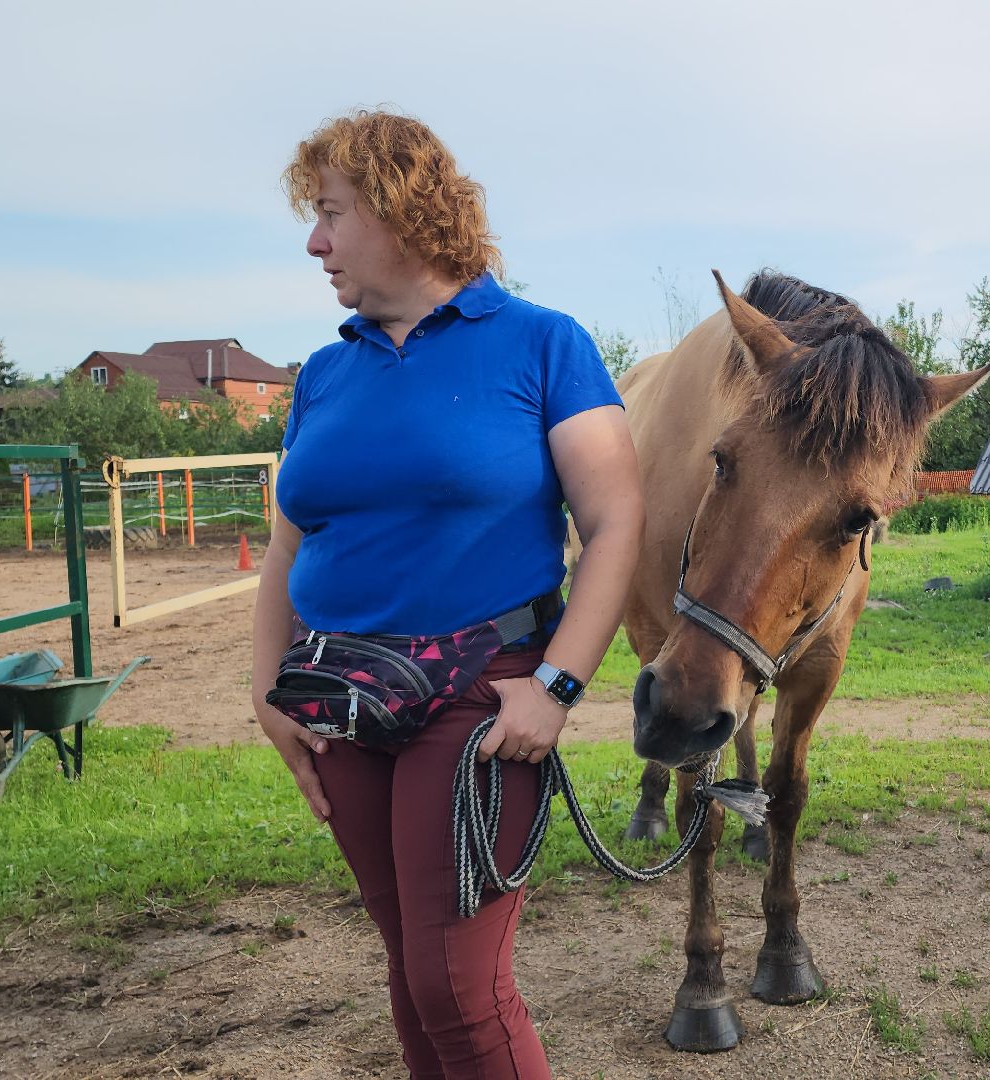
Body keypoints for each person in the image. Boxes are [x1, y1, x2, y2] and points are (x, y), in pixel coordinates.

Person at [254, 109, 643, 1079]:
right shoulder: (325, 374)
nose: (315, 242)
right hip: (339, 698)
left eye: (331, 214)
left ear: (400, 211)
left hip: (480, 697)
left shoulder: (543, 344)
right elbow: (285, 547)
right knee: (410, 972)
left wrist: (555, 687)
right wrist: (269, 694)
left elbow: (616, 524)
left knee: (459, 989)